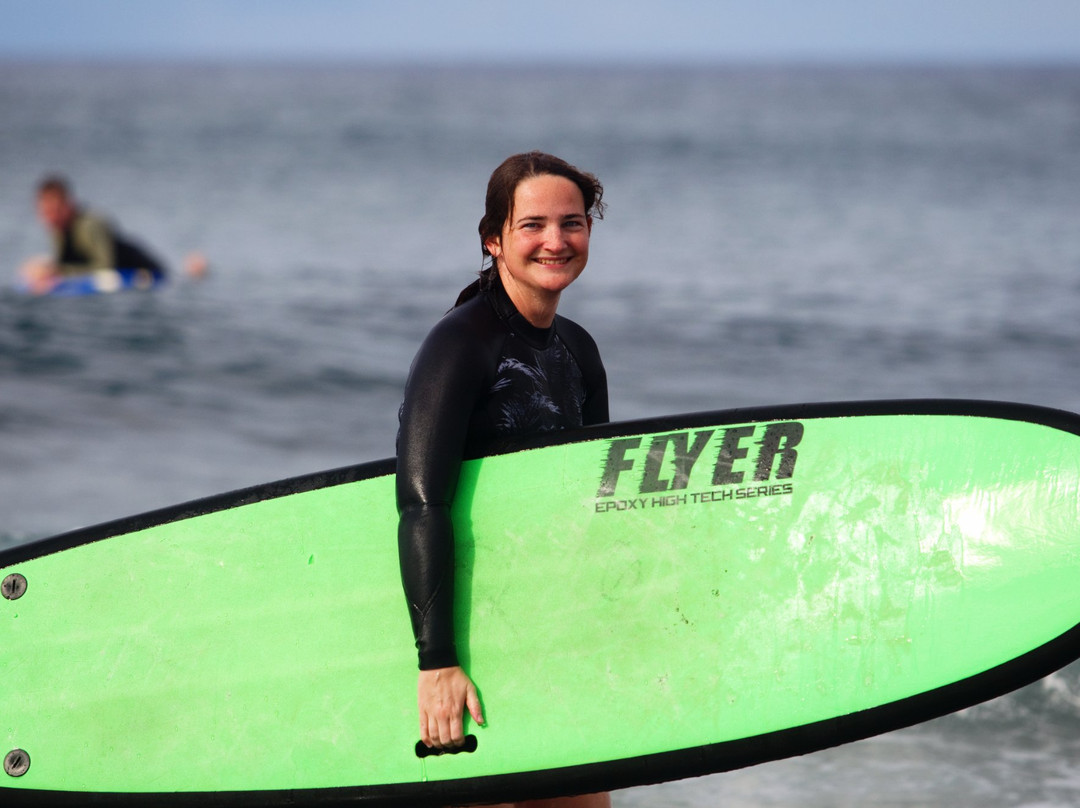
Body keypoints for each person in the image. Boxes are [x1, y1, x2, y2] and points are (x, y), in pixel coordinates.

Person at [396, 152, 611, 808]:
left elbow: (590, 507)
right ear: (494, 239)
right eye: (533, 225)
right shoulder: (460, 345)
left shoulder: (578, 351)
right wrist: (436, 663)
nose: (556, 240)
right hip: (467, 634)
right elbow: (421, 505)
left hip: (546, 627)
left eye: (572, 223)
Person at [18, 175, 207, 294]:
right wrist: (46, 269)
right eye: (45, 212)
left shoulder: (91, 224)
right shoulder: (58, 229)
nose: (49, 218)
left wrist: (57, 271)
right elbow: (64, 264)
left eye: (55, 211)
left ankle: (194, 273)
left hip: (140, 266)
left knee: (177, 281)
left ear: (68, 205)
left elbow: (104, 266)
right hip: (114, 274)